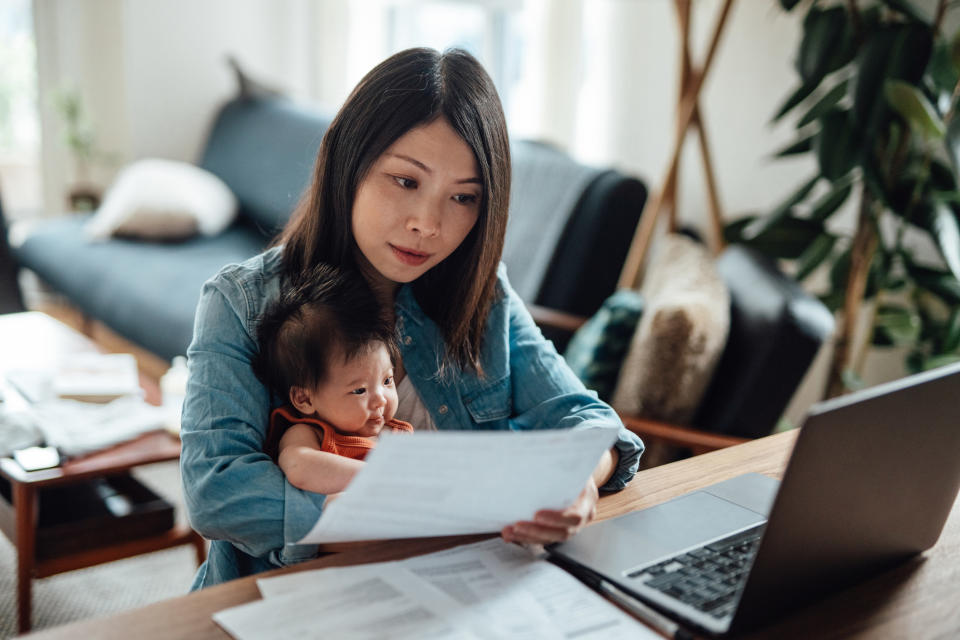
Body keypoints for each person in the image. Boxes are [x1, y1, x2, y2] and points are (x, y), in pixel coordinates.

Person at [180, 47, 644, 589]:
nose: (429, 224)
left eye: (464, 198)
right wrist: (424, 521)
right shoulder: (241, 302)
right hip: (298, 596)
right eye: (405, 181)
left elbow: (587, 422)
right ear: (348, 164)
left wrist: (580, 482)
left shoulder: (482, 292)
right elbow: (217, 490)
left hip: (465, 586)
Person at [253, 263, 414, 495]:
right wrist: (384, 478)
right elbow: (300, 468)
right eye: (360, 390)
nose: (381, 399)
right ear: (304, 399)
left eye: (387, 381)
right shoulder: (310, 433)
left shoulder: (393, 433)